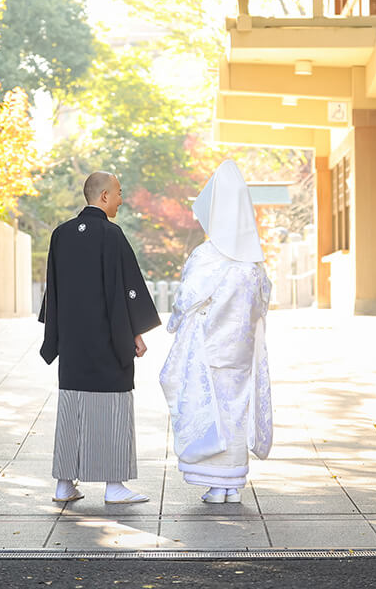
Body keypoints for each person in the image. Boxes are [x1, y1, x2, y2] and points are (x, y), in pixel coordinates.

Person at [38, 171, 161, 504]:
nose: (121, 199)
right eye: (118, 193)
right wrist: (135, 332)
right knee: (113, 408)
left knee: (72, 409)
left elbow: (53, 290)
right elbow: (127, 289)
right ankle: (114, 486)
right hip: (108, 340)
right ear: (104, 196)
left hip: (72, 343)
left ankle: (64, 484)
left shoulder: (61, 234)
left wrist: (55, 338)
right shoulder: (111, 235)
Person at [159, 160, 273, 504]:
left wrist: (174, 323)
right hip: (241, 351)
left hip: (210, 347)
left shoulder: (208, 255)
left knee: (213, 412)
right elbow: (262, 303)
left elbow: (186, 299)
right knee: (236, 411)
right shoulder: (253, 261)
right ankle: (233, 485)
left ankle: (215, 483)